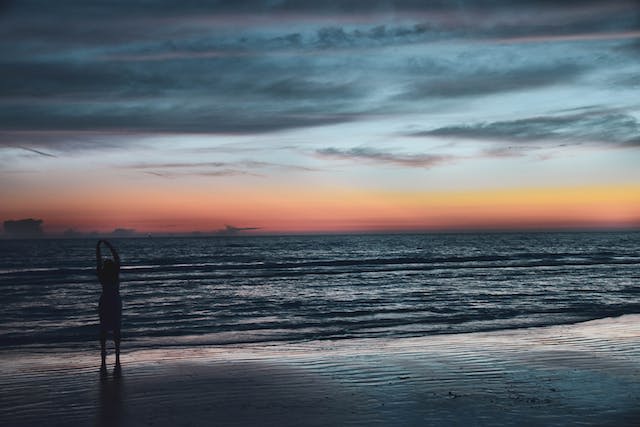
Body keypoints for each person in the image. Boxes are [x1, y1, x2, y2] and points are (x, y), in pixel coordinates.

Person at [96, 239, 122, 377]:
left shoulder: (102, 276)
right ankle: (117, 352)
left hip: (105, 301)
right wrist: (110, 246)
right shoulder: (115, 274)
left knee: (104, 327)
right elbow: (117, 258)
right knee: (116, 327)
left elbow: (98, 261)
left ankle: (103, 351)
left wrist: (98, 247)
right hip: (115, 301)